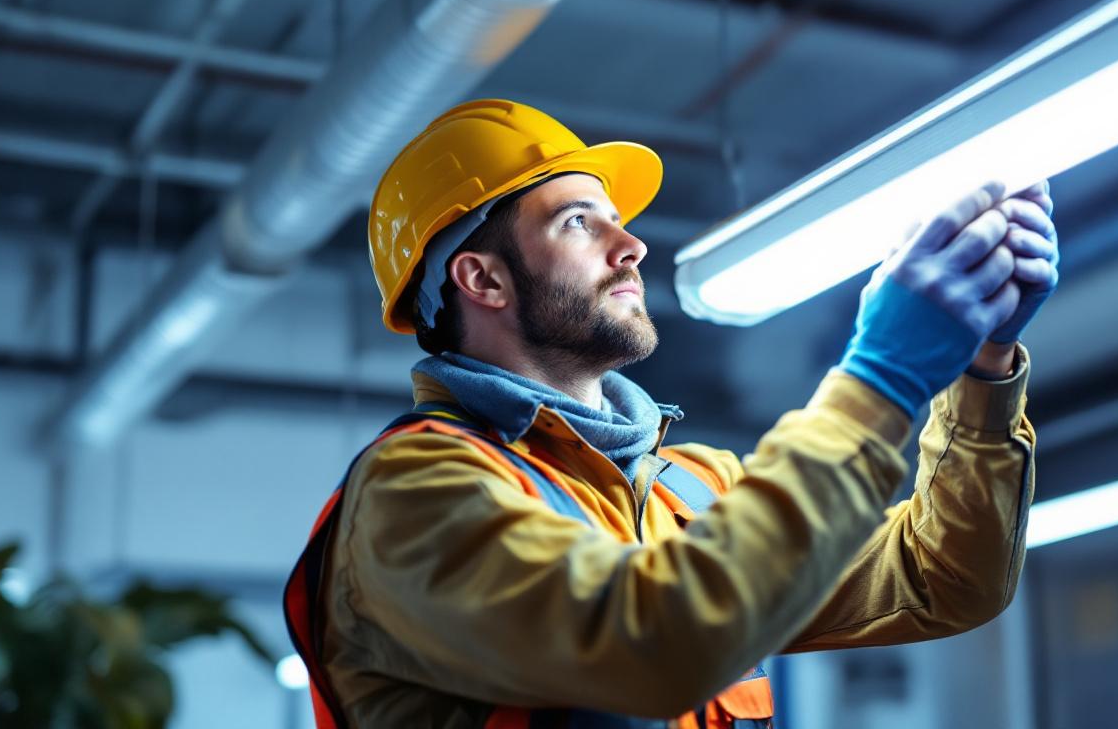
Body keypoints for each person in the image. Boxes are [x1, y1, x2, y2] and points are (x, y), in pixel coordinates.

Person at [284, 99, 1059, 729]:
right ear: (482, 279)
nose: (632, 246)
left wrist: (980, 365)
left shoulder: (690, 491)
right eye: (579, 221)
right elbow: (652, 642)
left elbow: (944, 578)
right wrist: (880, 377)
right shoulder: (417, 494)